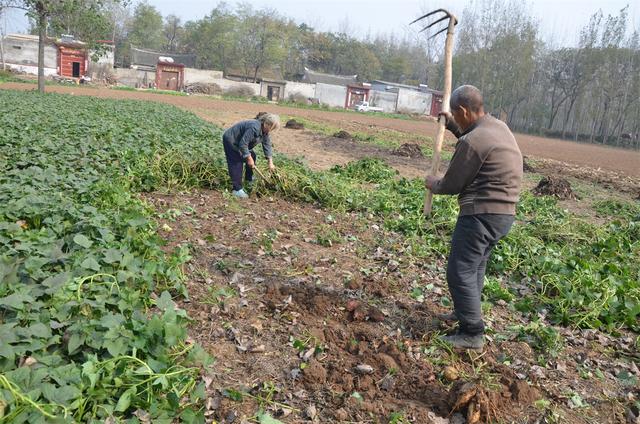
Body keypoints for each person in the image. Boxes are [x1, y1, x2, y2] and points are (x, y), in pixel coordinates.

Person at [425, 85, 523, 351]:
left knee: (460, 271)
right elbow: (472, 138)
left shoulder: (474, 141)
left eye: (456, 115)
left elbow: (452, 183)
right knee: (475, 268)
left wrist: (433, 183)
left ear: (464, 110)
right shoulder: (497, 127)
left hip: (481, 214)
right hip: (502, 215)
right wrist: (453, 128)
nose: (456, 119)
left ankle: (471, 333)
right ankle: (465, 313)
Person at [222, 113, 280, 198]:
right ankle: (237, 189)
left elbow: (267, 145)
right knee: (236, 162)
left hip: (241, 143)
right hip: (232, 140)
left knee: (253, 156)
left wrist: (270, 162)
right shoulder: (254, 127)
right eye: (271, 128)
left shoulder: (265, 131)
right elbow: (243, 144)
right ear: (267, 124)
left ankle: (248, 179)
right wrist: (248, 158)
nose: (271, 130)